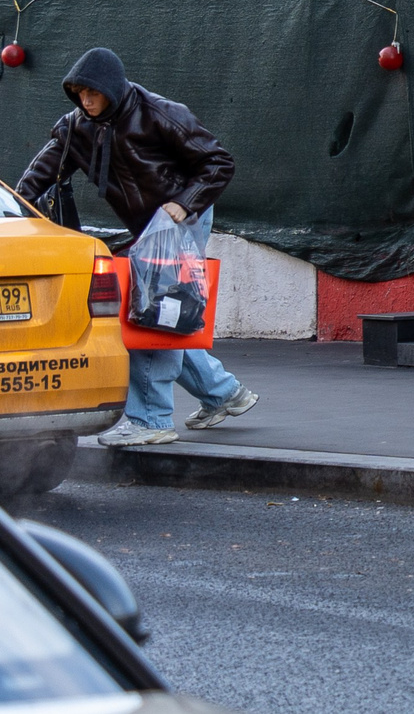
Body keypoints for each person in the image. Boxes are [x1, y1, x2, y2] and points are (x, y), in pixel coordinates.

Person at [16, 47, 256, 448]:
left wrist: (183, 203)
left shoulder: (159, 113)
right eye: (79, 93)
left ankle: (151, 420)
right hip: (147, 226)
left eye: (92, 92)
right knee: (160, 311)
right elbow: (38, 176)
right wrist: (11, 212)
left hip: (181, 217)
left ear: (111, 88)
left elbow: (218, 162)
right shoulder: (77, 127)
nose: (85, 100)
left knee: (156, 311)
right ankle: (224, 393)